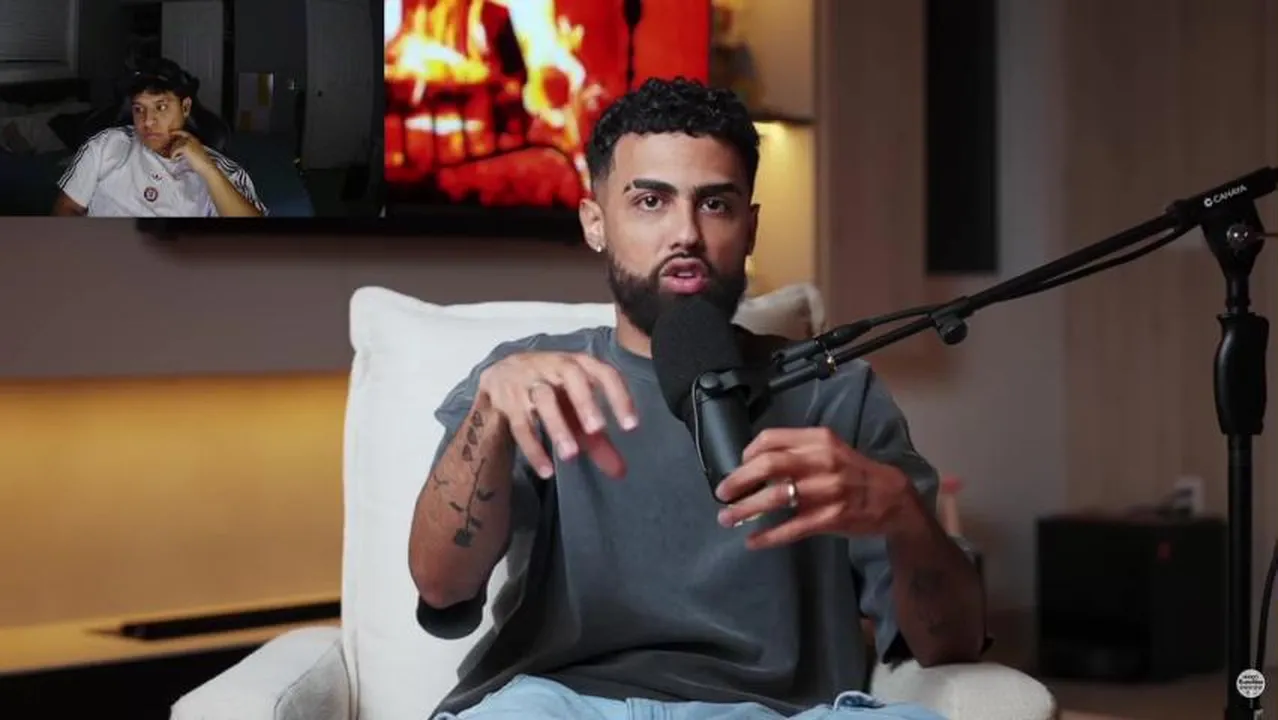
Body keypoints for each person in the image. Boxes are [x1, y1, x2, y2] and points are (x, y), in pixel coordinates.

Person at [409, 77, 989, 720]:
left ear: (751, 228)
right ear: (595, 223)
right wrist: (490, 412)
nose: (685, 233)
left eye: (715, 204)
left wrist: (904, 513)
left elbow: (952, 644)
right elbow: (441, 586)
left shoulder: (837, 394)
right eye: (650, 201)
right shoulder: (524, 380)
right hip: (559, 705)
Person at [52, 58, 267, 217]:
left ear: (185, 107)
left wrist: (206, 168)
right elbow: (66, 208)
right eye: (139, 109)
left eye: (161, 107)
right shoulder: (104, 145)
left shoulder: (222, 169)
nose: (147, 121)